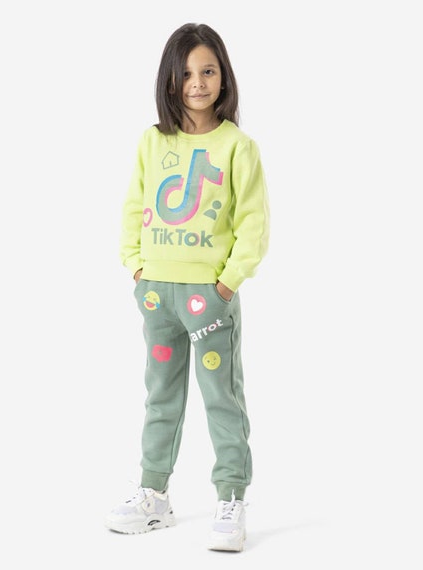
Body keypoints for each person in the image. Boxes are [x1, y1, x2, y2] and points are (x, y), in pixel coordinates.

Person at [105, 22, 270, 552]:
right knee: (160, 396)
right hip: (156, 295)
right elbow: (133, 205)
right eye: (187, 73)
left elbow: (253, 225)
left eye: (208, 71)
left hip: (209, 299)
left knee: (222, 397)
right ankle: (154, 494)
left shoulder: (237, 147)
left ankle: (231, 497)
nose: (197, 83)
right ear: (170, 79)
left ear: (224, 77)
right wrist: (136, 268)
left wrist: (226, 285)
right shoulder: (153, 142)